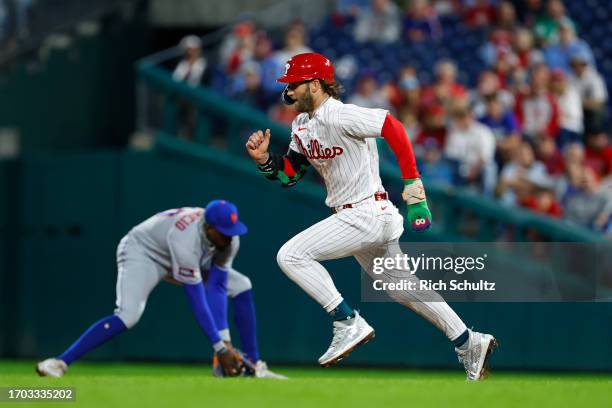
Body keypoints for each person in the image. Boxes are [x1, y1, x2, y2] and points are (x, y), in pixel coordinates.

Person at [245, 52, 497, 381]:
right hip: (363, 217)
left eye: (296, 84)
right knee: (404, 288)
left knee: (291, 255)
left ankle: (346, 320)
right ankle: (469, 342)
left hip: (365, 213)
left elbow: (393, 127)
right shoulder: (301, 124)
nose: (289, 91)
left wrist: (414, 189)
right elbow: (291, 174)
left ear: (317, 85)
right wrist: (265, 160)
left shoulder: (340, 114)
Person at [36, 201, 285, 379]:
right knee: (128, 315)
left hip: (186, 257)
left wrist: (226, 343)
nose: (230, 238)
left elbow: (217, 286)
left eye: (232, 232)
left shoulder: (230, 240)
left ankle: (253, 366)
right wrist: (220, 348)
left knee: (241, 285)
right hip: (143, 252)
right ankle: (59, 362)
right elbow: (197, 298)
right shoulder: (185, 238)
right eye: (223, 233)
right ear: (208, 227)